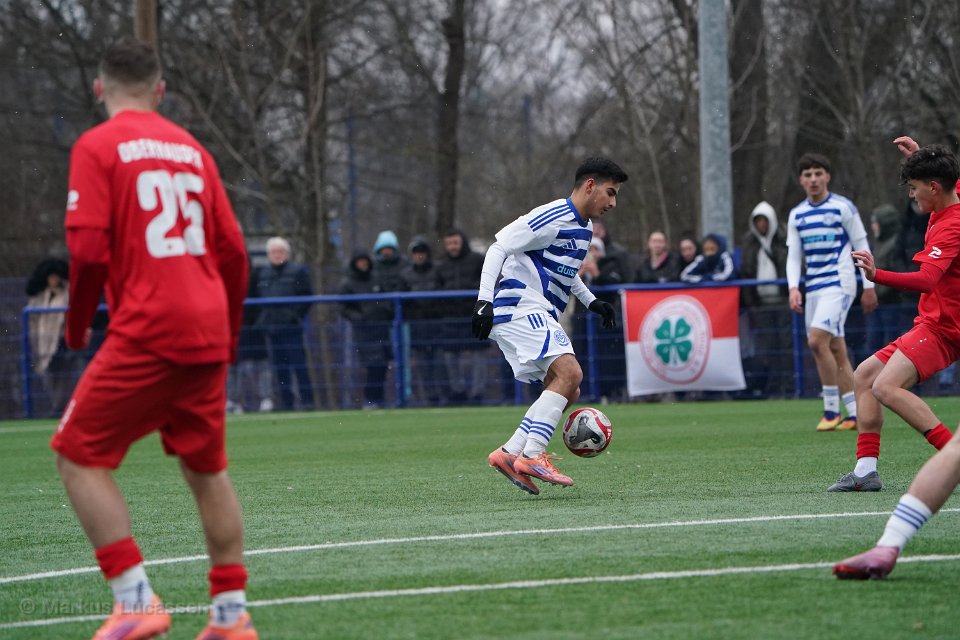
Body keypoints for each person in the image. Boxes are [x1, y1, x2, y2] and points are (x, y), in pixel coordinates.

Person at [50, 38, 257, 639]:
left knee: (77, 456)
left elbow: (88, 252)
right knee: (206, 469)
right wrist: (228, 334)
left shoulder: (97, 145)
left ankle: (135, 601)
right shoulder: (193, 149)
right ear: (161, 90)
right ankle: (231, 615)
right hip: (205, 328)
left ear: (99, 88)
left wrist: (76, 325)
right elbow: (234, 254)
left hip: (149, 326)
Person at [832, 144, 960, 578]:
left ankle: (952, 457)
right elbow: (948, 178)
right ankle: (865, 471)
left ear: (934, 188)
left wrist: (876, 275)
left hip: (945, 329)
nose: (911, 195)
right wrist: (922, 154)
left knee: (885, 386)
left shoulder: (951, 225)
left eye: (914, 187)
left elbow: (926, 279)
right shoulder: (948, 198)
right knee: (865, 374)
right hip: (932, 321)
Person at [475, 156, 627, 495]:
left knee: (569, 389)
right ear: (590, 186)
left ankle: (510, 452)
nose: (613, 203)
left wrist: (591, 301)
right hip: (521, 305)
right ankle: (532, 455)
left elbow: (565, 272)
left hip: (535, 310)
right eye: (611, 193)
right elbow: (498, 248)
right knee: (570, 373)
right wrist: (484, 301)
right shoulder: (553, 215)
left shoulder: (585, 228)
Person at [786, 153, 878, 432]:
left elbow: (861, 244)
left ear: (827, 176)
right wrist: (793, 287)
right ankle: (854, 412)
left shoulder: (842, 207)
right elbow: (794, 256)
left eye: (818, 173)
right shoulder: (797, 214)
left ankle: (830, 410)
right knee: (835, 347)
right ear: (801, 180)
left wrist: (869, 286)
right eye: (808, 175)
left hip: (839, 283)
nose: (813, 179)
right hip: (813, 287)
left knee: (816, 341)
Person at [253, 237, 314, 411]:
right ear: (268, 255)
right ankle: (287, 403)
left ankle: (308, 401)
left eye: (280, 251)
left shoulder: (297, 271)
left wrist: (294, 316)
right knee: (280, 369)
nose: (277, 255)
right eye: (273, 252)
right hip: (272, 328)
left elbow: (306, 296)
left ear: (287, 253)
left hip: (292, 328)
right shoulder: (262, 274)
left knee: (299, 366)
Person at [738, 202, 789, 397]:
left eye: (764, 220)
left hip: (784, 301)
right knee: (770, 347)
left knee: (787, 345)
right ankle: (774, 386)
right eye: (757, 221)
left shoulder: (783, 238)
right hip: (762, 305)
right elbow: (746, 271)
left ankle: (789, 386)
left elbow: (791, 264)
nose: (761, 224)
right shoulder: (750, 243)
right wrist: (751, 303)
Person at [436, 229, 487, 404]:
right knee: (450, 355)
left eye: (455, 242)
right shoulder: (441, 265)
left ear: (462, 242)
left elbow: (488, 280)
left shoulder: (477, 259)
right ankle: (457, 392)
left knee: (479, 354)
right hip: (451, 317)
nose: (452, 247)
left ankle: (477, 394)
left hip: (474, 314)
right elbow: (437, 287)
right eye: (449, 243)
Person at [25, 257, 79, 416]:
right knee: (49, 378)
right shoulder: (40, 296)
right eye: (51, 276)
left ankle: (60, 409)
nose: (54, 279)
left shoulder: (68, 293)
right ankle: (57, 407)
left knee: (66, 378)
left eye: (56, 276)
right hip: (45, 342)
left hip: (63, 342)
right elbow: (32, 320)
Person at [400, 235, 443, 404]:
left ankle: (444, 394)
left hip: (437, 326)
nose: (420, 255)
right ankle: (430, 397)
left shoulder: (437, 271)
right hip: (417, 326)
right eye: (416, 252)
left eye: (422, 252)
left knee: (439, 363)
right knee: (423, 365)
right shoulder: (405, 275)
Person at [865, 203, 906, 354]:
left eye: (875, 222)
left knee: (892, 344)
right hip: (879, 304)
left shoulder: (895, 243)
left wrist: (879, 291)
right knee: (874, 345)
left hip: (892, 303)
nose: (873, 226)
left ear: (884, 223)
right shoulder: (880, 244)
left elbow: (896, 272)